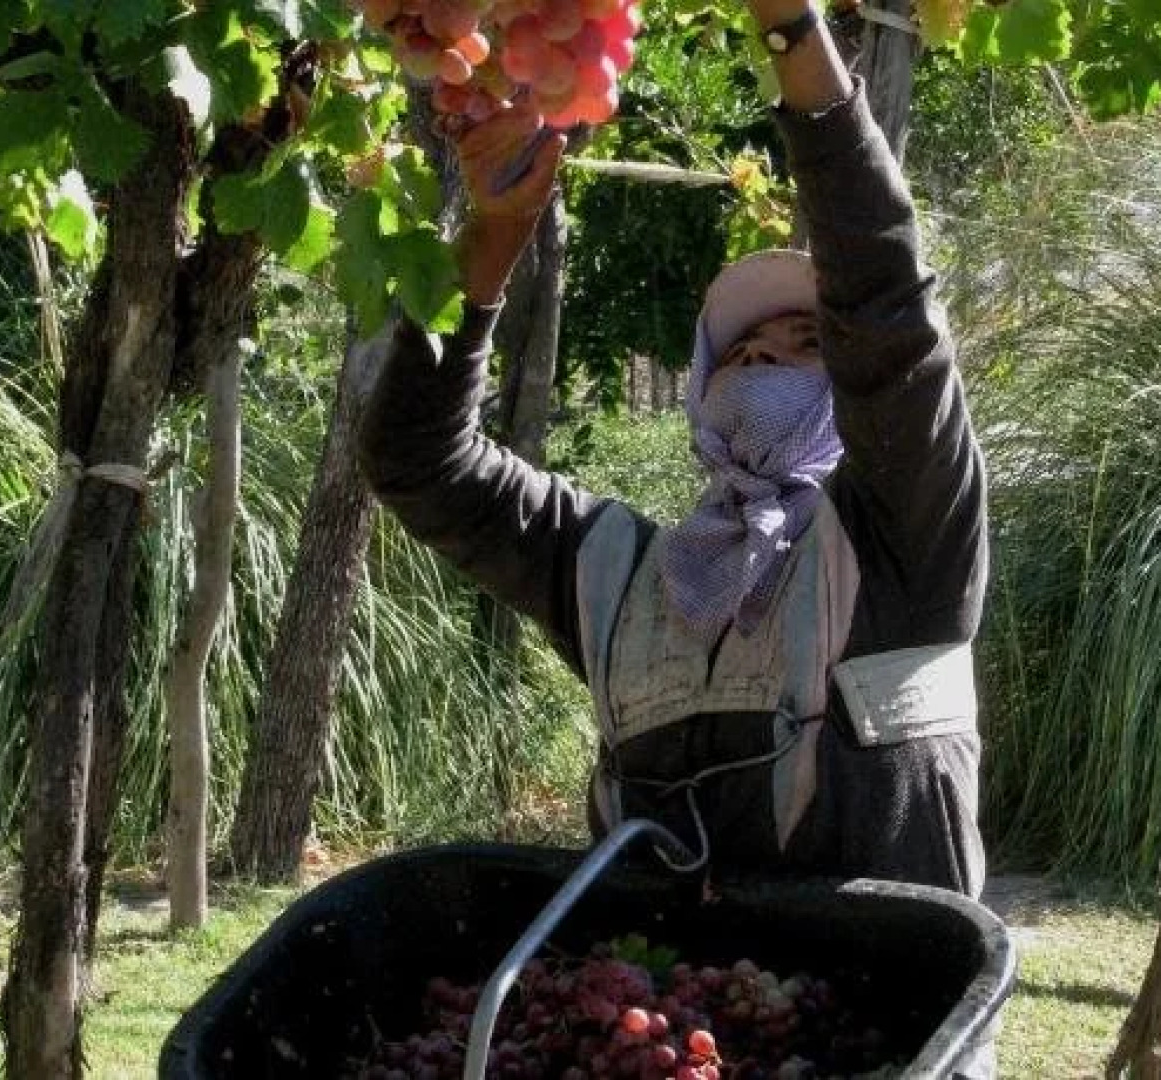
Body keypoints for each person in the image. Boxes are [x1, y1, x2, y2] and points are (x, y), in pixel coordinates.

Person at [359, 0, 987, 902]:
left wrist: (792, 34)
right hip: (665, 1025)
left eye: (808, 342)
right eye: (741, 352)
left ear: (850, 383)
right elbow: (417, 460)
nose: (765, 353)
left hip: (902, 1033)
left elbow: (885, 298)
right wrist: (491, 245)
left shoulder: (907, 534)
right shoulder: (617, 576)